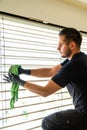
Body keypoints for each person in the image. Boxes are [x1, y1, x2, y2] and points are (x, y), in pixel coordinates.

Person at [4, 27, 87, 130]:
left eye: (61, 45)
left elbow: (44, 91)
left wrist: (19, 82)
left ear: (72, 45)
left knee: (48, 123)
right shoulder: (80, 58)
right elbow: (50, 71)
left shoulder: (73, 65)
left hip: (84, 114)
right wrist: (23, 71)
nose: (58, 48)